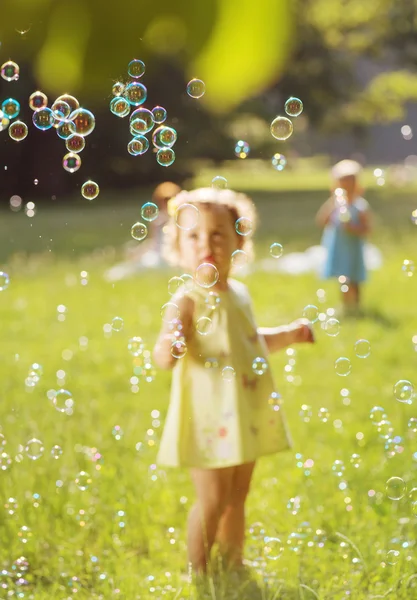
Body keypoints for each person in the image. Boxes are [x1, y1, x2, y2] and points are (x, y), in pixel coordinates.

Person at [152, 187, 314, 576]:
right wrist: (171, 346)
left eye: (218, 234)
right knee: (212, 498)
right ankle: (200, 570)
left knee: (238, 495)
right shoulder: (187, 300)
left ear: (240, 239)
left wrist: (290, 335)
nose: (206, 244)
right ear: (178, 245)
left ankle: (234, 558)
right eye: (193, 236)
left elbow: (251, 342)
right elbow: (162, 354)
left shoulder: (239, 293)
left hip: (244, 412)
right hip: (209, 416)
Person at [315, 160, 372, 315]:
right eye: (343, 184)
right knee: (343, 278)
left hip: (353, 248)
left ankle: (356, 305)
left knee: (354, 277)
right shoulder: (335, 204)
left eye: (350, 184)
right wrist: (332, 204)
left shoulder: (360, 206)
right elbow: (322, 221)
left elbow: (367, 229)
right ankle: (346, 305)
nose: (346, 188)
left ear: (357, 186)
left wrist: (353, 228)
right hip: (338, 247)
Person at [104, 181, 181, 282]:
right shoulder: (157, 221)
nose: (166, 203)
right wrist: (138, 251)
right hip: (157, 256)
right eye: (164, 200)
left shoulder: (180, 220)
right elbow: (154, 243)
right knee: (135, 265)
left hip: (170, 258)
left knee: (148, 265)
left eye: (170, 200)